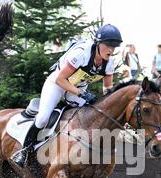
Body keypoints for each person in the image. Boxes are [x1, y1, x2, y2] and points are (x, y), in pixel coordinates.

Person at [11, 24, 123, 167]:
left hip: (78, 88)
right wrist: (82, 93)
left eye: (114, 46)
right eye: (109, 45)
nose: (111, 50)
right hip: (57, 84)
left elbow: (108, 89)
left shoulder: (109, 63)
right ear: (98, 43)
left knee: (89, 116)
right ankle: (24, 152)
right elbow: (60, 79)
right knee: (43, 118)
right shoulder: (81, 53)